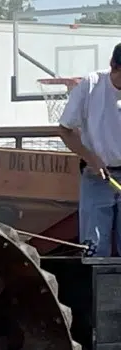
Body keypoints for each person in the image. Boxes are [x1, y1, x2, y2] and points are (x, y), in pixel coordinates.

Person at [59, 43, 121, 257]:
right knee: (95, 248)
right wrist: (91, 158)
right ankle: (98, 290)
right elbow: (65, 129)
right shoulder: (91, 85)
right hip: (97, 176)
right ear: (113, 66)